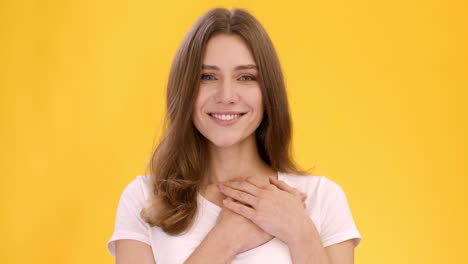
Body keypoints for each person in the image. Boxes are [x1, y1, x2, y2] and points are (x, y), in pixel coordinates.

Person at [107, 8, 362, 264]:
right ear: (184, 88)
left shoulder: (321, 198)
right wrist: (226, 239)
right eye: (207, 76)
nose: (227, 95)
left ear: (268, 92)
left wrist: (301, 233)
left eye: (245, 77)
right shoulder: (145, 199)